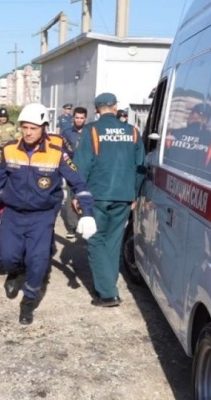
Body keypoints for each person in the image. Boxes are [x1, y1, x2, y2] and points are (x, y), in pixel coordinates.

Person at [0, 103, 96, 325]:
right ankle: (14, 272)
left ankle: (29, 300)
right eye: (25, 127)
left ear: (44, 128)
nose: (28, 132)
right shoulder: (9, 149)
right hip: (13, 213)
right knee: (8, 256)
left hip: (42, 215)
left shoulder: (58, 154)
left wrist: (87, 213)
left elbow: (79, 183)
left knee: (37, 260)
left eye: (33, 128)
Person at [73, 93, 146, 307]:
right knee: (113, 241)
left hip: (98, 194)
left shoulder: (91, 130)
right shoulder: (133, 132)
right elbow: (140, 166)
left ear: (97, 110)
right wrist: (134, 194)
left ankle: (107, 294)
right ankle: (108, 284)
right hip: (124, 196)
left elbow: (81, 165)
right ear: (115, 107)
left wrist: (78, 194)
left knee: (95, 239)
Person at [165, 103, 211, 176]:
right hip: (196, 185)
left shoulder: (172, 134)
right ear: (206, 121)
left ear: (194, 115)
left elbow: (158, 158)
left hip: (168, 180)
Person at [60, 106, 88, 239]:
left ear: (85, 119)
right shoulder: (66, 133)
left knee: (86, 196)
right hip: (72, 169)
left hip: (88, 169)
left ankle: (86, 222)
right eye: (77, 117)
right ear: (73, 118)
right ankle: (72, 227)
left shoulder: (90, 132)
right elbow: (63, 151)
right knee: (71, 197)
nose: (79, 120)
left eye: (82, 118)